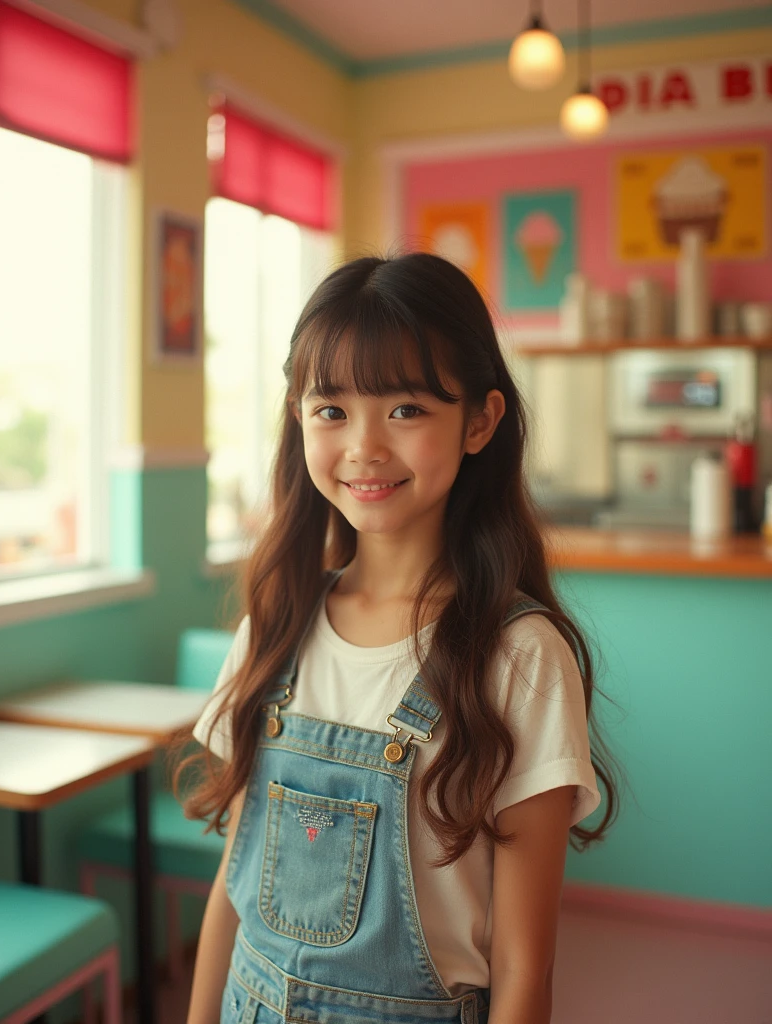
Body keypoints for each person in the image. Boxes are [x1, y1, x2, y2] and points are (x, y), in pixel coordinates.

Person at [180, 252, 620, 1024]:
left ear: (480, 420)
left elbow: (523, 968)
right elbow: (232, 888)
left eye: (407, 409)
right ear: (298, 416)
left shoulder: (518, 656)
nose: (365, 448)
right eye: (332, 410)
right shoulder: (276, 624)